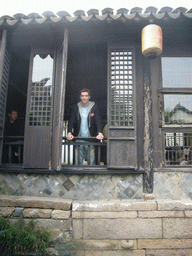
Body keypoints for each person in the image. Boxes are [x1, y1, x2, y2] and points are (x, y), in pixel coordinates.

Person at [66, 88, 104, 165]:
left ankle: (91, 176)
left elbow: (98, 121)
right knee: (77, 162)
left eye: (86, 96)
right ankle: (76, 175)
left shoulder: (94, 107)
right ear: (80, 97)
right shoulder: (75, 107)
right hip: (78, 138)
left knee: (91, 161)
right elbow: (71, 121)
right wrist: (69, 132)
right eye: (82, 96)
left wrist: (100, 133)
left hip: (90, 137)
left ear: (89, 97)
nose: (84, 97)